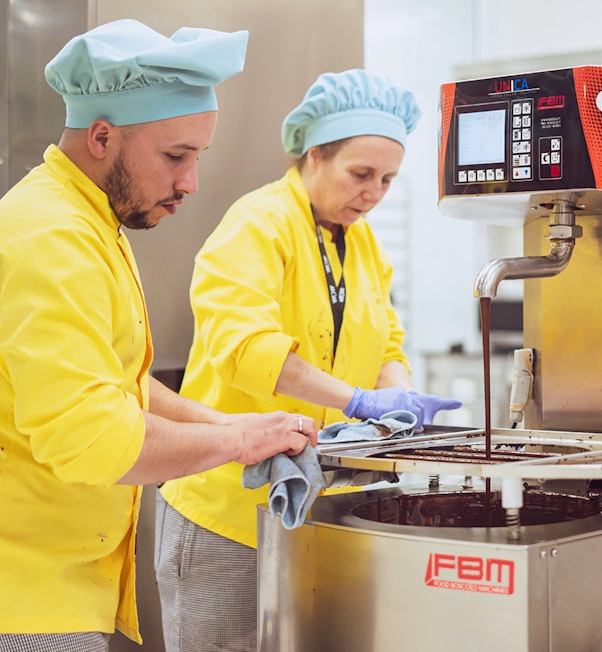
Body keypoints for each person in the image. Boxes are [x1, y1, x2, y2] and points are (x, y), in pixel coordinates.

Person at [0, 19, 317, 652]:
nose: (191, 183)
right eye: (176, 156)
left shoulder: (89, 222)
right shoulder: (51, 240)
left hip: (51, 582)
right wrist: (238, 442)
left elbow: (121, 385)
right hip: (14, 597)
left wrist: (233, 427)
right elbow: (93, 438)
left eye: (197, 158)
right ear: (101, 136)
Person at [155, 68, 461, 651]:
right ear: (314, 155)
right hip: (229, 507)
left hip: (325, 504)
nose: (374, 193)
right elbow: (247, 348)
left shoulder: (362, 242)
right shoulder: (258, 224)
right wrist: (357, 401)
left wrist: (396, 399)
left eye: (388, 180)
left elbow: (387, 343)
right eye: (361, 174)